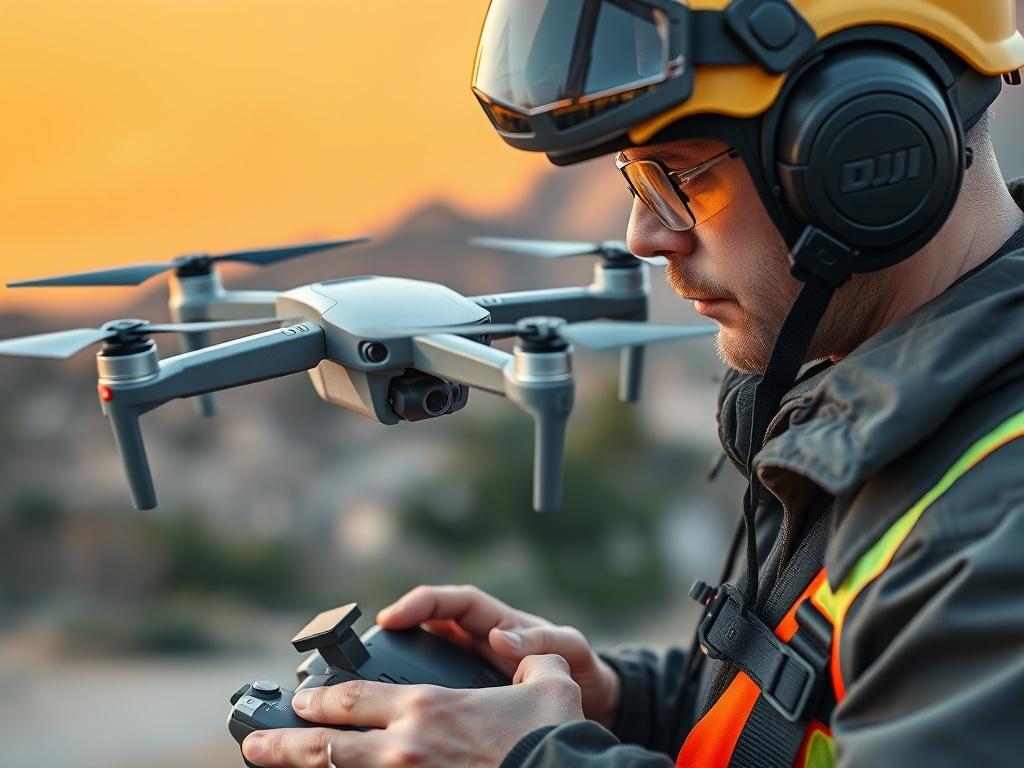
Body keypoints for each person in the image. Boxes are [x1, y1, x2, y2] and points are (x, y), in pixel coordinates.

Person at [242, 2, 1024, 766]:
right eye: (635, 177)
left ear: (867, 157)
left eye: (683, 176)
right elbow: (815, 712)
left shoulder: (997, 527)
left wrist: (536, 759)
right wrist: (617, 705)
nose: (645, 236)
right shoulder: (866, 411)